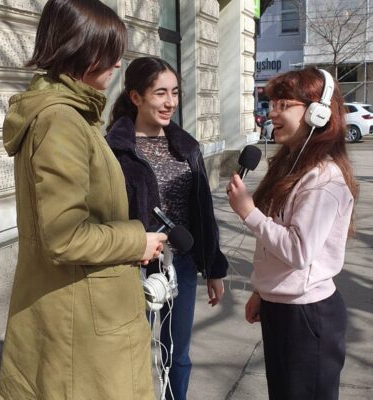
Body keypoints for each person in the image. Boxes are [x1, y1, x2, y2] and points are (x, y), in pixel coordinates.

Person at [0, 1, 166, 399]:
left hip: (83, 314)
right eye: (110, 52)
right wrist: (137, 241)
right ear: (82, 50)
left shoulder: (74, 116)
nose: (118, 62)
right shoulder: (62, 121)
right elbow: (65, 236)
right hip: (84, 329)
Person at [226, 67, 358, 400]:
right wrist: (264, 291)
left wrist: (249, 212)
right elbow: (274, 246)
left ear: (318, 112)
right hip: (282, 307)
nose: (273, 113)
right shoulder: (291, 166)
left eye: (283, 104)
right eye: (272, 104)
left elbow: (299, 251)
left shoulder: (323, 179)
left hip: (307, 315)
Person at [105, 56, 228, 400]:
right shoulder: (114, 150)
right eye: (160, 93)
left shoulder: (187, 147)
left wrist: (214, 268)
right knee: (131, 354)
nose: (170, 102)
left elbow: (203, 213)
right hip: (134, 266)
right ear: (136, 97)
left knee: (178, 355)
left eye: (174, 92)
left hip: (182, 265)